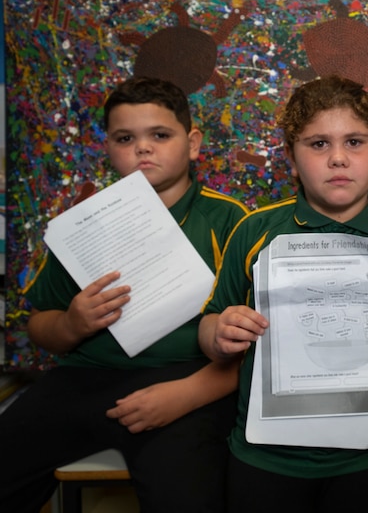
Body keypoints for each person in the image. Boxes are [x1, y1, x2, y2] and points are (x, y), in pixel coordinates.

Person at [197, 74, 368, 513]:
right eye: (318, 144)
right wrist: (219, 334)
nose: (338, 159)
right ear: (291, 159)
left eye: (355, 142)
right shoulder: (255, 232)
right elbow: (208, 326)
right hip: (266, 455)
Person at [0, 76, 249, 513]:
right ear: (108, 148)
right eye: (125, 138)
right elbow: (40, 326)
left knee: (186, 498)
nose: (143, 148)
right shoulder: (80, 225)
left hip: (189, 382)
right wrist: (71, 323)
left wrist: (183, 396)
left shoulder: (231, 220)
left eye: (159, 135)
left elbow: (258, 344)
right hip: (81, 379)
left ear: (192, 143)